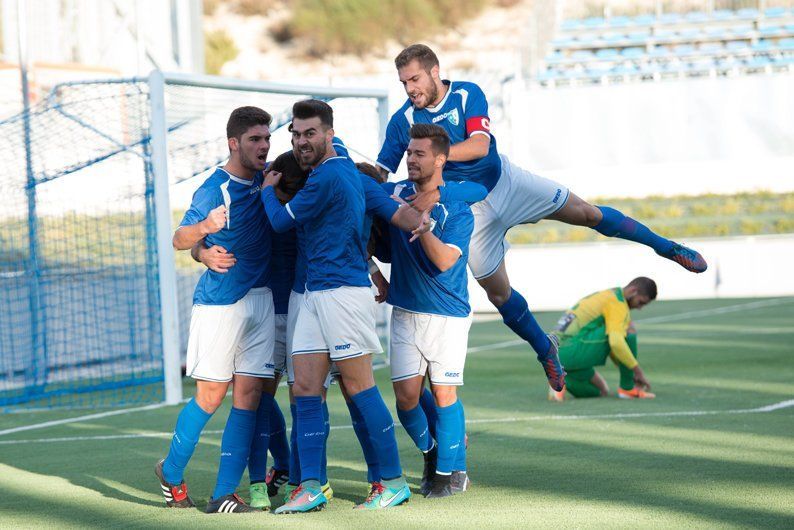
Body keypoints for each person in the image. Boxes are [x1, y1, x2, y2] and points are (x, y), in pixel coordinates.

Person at [376, 44, 708, 392]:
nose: (410, 88)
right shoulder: (403, 121)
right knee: (499, 295)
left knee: (588, 213)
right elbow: (380, 173)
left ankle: (665, 247)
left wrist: (438, 157)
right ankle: (544, 348)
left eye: (414, 78)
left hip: (504, 182)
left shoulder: (465, 94)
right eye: (403, 83)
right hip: (469, 210)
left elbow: (479, 146)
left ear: (433, 71)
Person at [261, 99, 413, 513]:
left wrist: (267, 191)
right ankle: (310, 485)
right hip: (308, 292)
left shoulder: (332, 173)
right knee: (306, 389)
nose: (300, 141)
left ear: (329, 134)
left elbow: (279, 222)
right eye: (295, 133)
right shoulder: (323, 175)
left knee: (359, 386)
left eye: (309, 133)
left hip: (341, 293)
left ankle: (394, 480)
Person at [155, 106, 276, 514]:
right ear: (234, 143)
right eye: (255, 139)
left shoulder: (267, 177)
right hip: (221, 303)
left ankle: (224, 492)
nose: (263, 146)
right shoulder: (213, 189)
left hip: (262, 300)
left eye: (266, 138)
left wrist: (199, 251)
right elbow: (178, 238)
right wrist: (204, 236)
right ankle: (171, 473)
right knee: (210, 397)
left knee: (248, 396)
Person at [376, 123, 483, 498]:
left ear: (440, 159)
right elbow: (365, 187)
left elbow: (442, 263)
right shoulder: (397, 193)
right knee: (405, 399)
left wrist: (425, 228)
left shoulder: (457, 209)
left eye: (419, 154)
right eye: (409, 153)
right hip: (404, 310)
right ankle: (431, 451)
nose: (411, 160)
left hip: (447, 315)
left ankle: (448, 474)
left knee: (444, 395)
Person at [549, 277, 658, 400]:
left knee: (601, 391)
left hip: (555, 354)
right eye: (641, 302)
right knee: (628, 328)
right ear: (633, 291)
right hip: (570, 348)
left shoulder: (609, 294)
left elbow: (611, 345)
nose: (640, 308)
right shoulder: (617, 302)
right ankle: (627, 389)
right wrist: (637, 372)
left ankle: (559, 381)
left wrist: (626, 369)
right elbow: (615, 343)